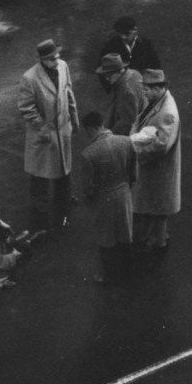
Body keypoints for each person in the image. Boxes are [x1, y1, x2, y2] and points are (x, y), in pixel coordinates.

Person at [19, 39, 79, 231]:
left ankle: (64, 199)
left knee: (64, 167)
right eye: (51, 58)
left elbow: (68, 92)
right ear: (41, 60)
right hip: (44, 133)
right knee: (41, 173)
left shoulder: (63, 67)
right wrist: (42, 127)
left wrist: (74, 118)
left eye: (57, 56)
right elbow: (26, 108)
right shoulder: (30, 78)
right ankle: (40, 208)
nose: (56, 60)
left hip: (62, 127)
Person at [80, 111, 138, 285]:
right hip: (125, 193)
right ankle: (128, 272)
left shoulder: (88, 154)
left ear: (90, 129)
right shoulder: (127, 142)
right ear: (103, 124)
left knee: (106, 238)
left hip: (104, 197)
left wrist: (90, 198)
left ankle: (109, 276)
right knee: (126, 234)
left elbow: (88, 187)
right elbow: (133, 173)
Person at [129, 69, 180, 267]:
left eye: (147, 89)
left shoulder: (167, 113)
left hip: (158, 169)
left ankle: (156, 244)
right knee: (155, 205)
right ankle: (157, 240)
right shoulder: (158, 103)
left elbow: (160, 146)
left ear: (159, 88)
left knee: (157, 207)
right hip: (155, 168)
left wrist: (136, 154)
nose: (145, 93)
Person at [95, 53, 146, 136]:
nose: (106, 78)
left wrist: (110, 137)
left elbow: (127, 122)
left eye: (108, 75)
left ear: (118, 72)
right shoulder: (135, 73)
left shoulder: (125, 91)